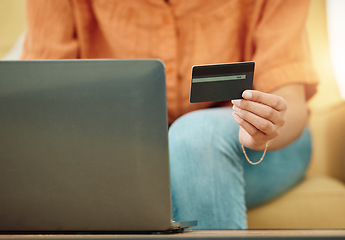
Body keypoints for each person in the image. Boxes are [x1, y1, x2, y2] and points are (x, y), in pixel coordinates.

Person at [21, 0, 318, 229]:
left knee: (192, 138)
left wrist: (263, 123)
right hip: (128, 151)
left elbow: (288, 96)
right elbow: (47, 97)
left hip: (254, 143)